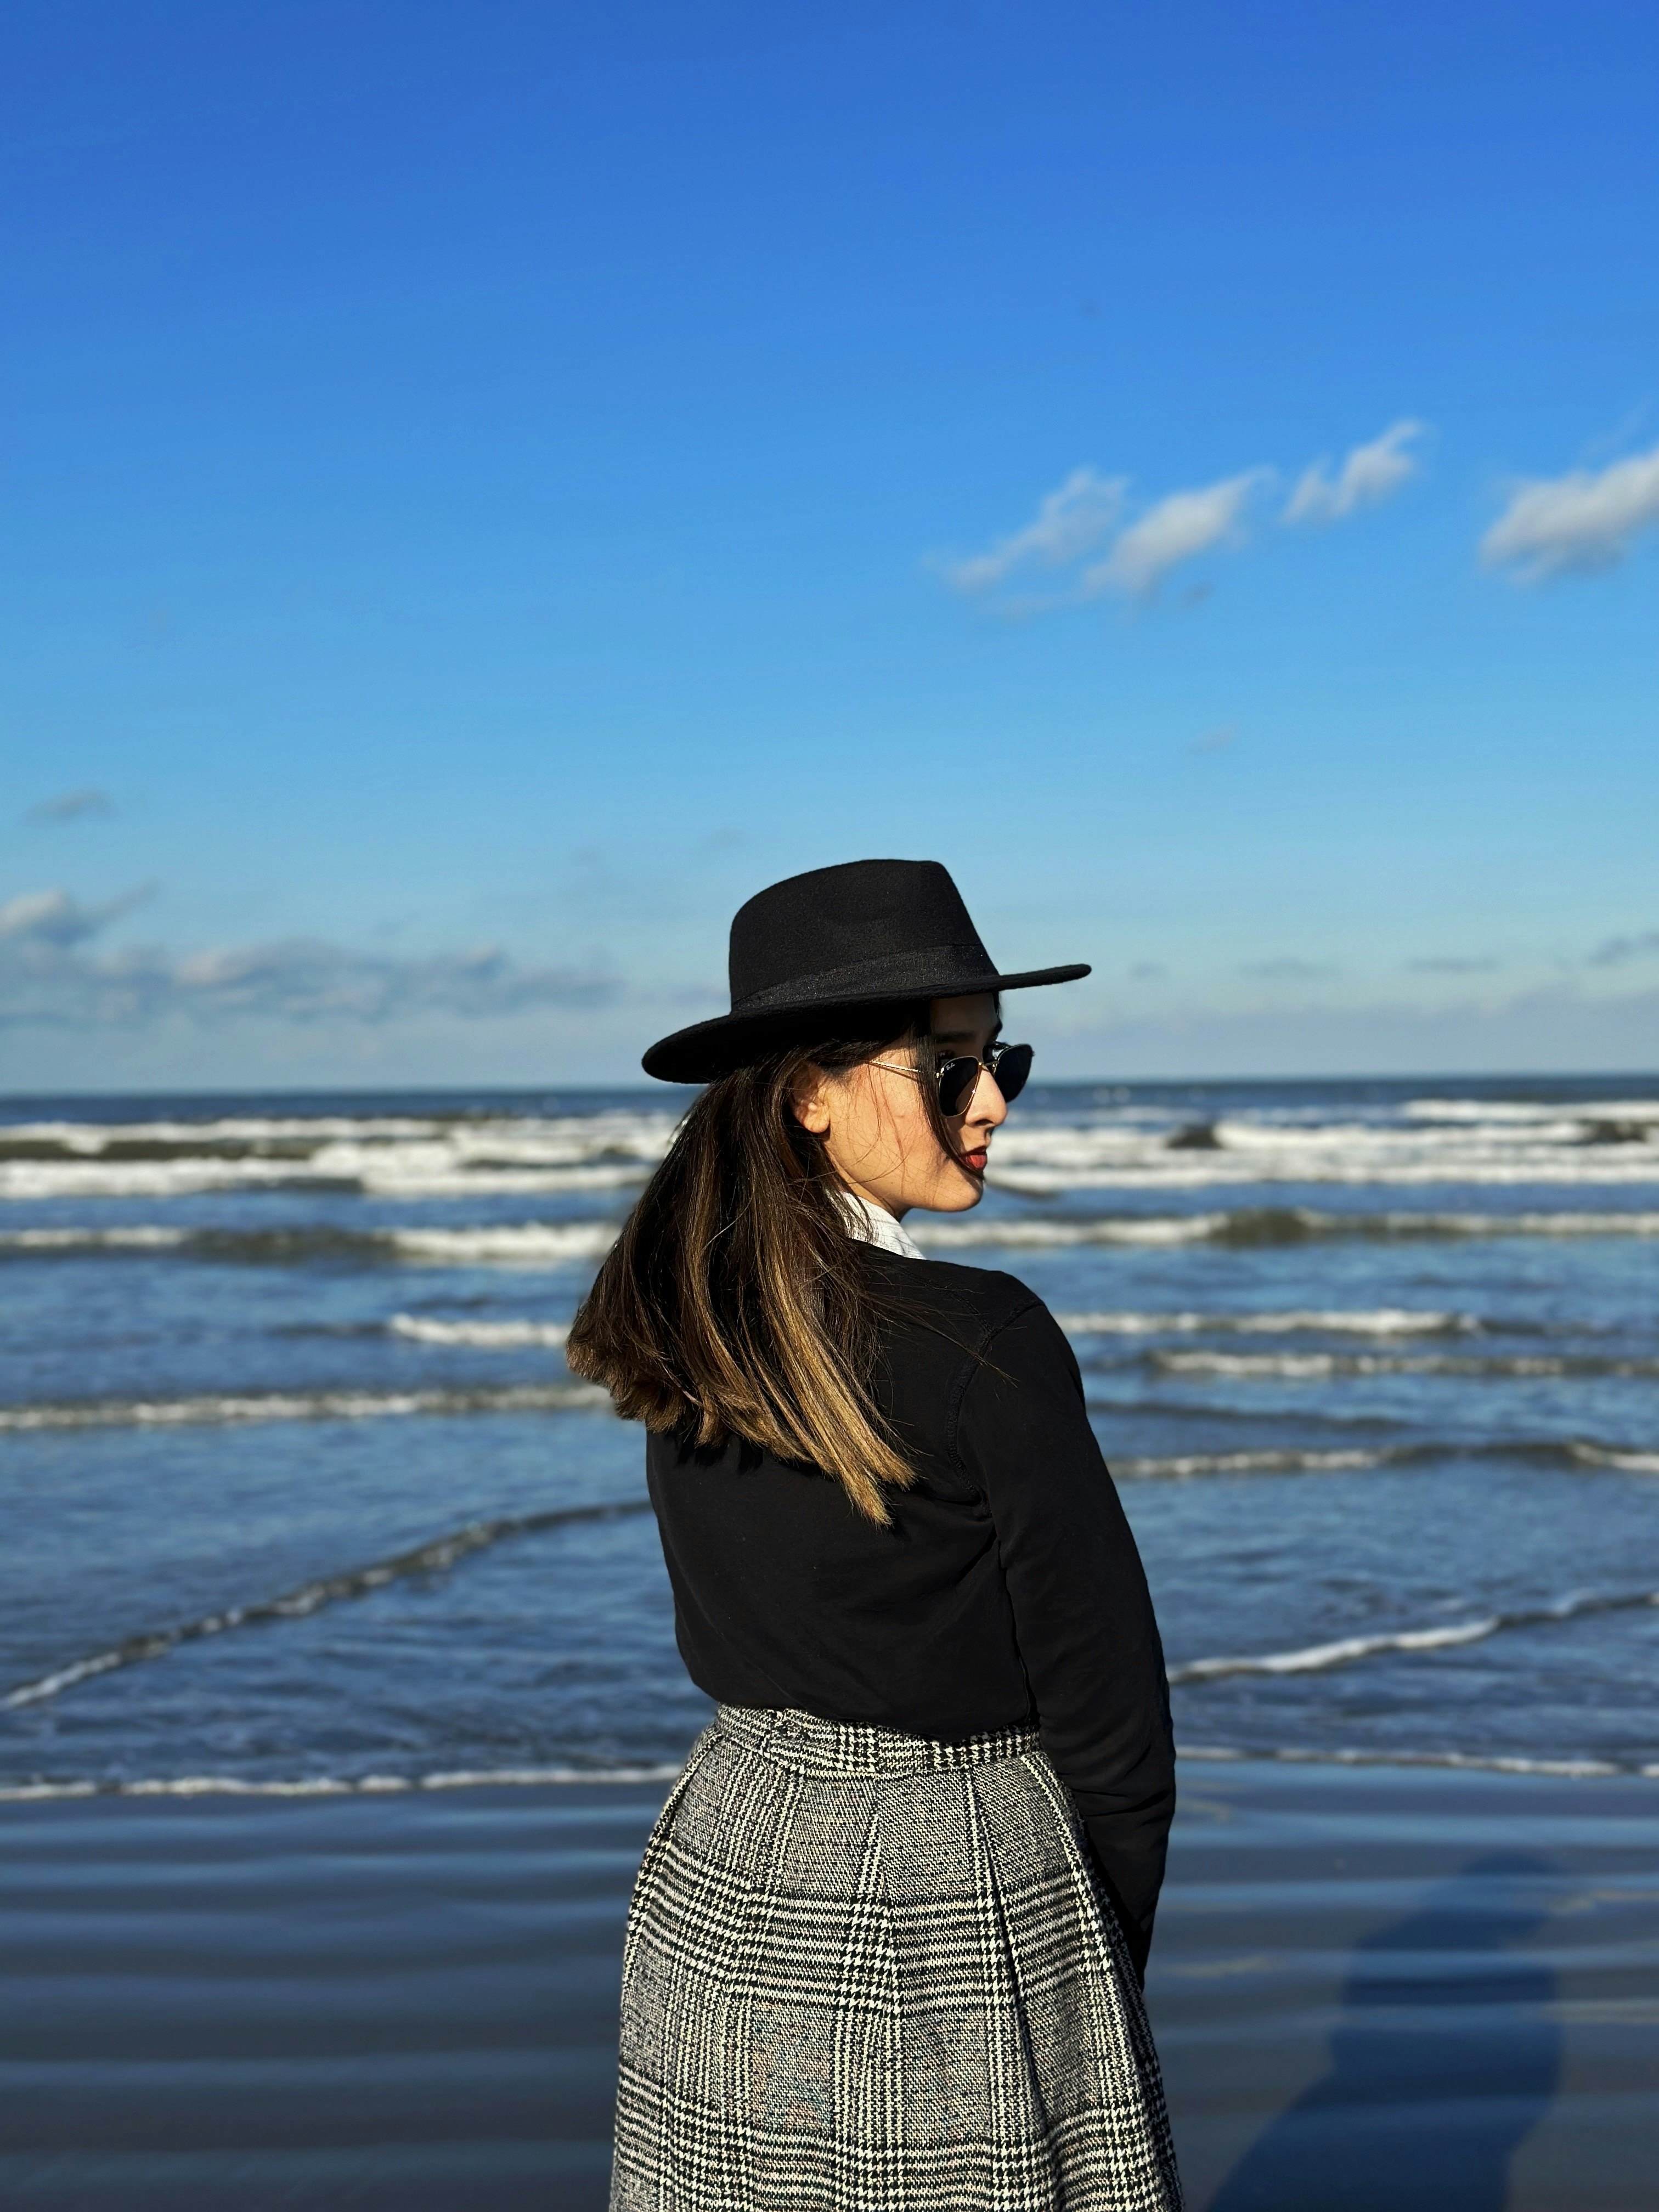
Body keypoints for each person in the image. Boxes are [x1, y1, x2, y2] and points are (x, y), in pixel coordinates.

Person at [568, 858, 1182, 2212]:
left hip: (720, 1876)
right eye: (949, 1068)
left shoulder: (685, 1318)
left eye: (999, 1057)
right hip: (958, 1890)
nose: (996, 1103)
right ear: (809, 1092)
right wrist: (1088, 1964)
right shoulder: (984, 1338)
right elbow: (1113, 1723)